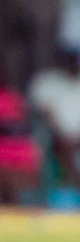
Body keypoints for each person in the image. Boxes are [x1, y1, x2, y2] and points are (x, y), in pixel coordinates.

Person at [30, 47, 80, 187]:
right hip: (56, 135)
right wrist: (63, 135)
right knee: (63, 150)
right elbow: (45, 112)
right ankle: (74, 184)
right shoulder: (47, 82)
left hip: (77, 137)